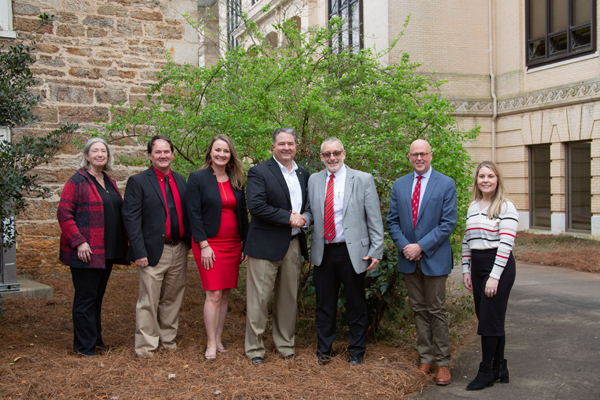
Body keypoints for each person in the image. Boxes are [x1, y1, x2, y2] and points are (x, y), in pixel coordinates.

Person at [303, 137, 384, 366]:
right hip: (324, 252)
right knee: (324, 304)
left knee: (356, 303)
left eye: (336, 153)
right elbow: (310, 211)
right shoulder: (314, 180)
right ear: (321, 157)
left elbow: (374, 218)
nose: (332, 158)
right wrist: (302, 221)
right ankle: (324, 350)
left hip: (353, 252)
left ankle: (356, 351)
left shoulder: (362, 179)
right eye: (327, 154)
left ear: (344, 153)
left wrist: (376, 249)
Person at [386, 139, 457, 385]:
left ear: (431, 155)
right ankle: (425, 358)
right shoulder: (400, 185)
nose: (419, 158)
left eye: (423, 154)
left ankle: (443, 363)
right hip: (408, 259)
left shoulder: (446, 184)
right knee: (418, 310)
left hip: (434, 258)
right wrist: (406, 247)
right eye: (414, 154)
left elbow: (447, 223)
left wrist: (421, 247)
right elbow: (392, 221)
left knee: (436, 310)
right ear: (409, 157)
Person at [243, 127, 310, 365]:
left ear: (296, 147)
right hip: (264, 246)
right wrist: (289, 217)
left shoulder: (304, 173)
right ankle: (255, 349)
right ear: (273, 147)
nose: (286, 148)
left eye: (290, 144)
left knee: (288, 299)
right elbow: (257, 207)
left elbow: (308, 208)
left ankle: (285, 345)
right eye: (281, 144)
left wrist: (305, 219)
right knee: (259, 300)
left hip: (293, 244)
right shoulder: (259, 172)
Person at [57, 138, 128, 356]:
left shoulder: (109, 181)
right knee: (85, 299)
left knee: (97, 298)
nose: (100, 154)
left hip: (104, 251)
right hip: (85, 252)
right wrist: (79, 241)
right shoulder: (77, 181)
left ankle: (95, 340)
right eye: (95, 151)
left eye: (103, 151)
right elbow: (64, 214)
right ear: (86, 156)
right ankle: (84, 347)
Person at [122, 135, 191, 358]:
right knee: (148, 301)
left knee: (173, 298)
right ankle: (146, 346)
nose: (163, 156)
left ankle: (168, 340)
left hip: (179, 248)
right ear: (150, 155)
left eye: (167, 151)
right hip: (152, 250)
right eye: (158, 152)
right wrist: (138, 251)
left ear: (173, 154)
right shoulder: (138, 181)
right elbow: (131, 219)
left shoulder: (181, 180)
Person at [187, 134, 249, 361]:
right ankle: (210, 342)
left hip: (233, 244)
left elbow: (243, 215)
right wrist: (204, 245)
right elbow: (193, 213)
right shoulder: (197, 178)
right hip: (209, 244)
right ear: (210, 153)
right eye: (218, 150)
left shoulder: (237, 180)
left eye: (226, 151)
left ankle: (219, 338)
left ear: (230, 154)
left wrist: (245, 244)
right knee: (213, 293)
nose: (221, 154)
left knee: (224, 295)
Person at [461, 161, 518, 391]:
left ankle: (485, 372)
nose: (485, 180)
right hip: (478, 265)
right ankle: (499, 367)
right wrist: (466, 269)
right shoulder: (473, 206)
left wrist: (494, 276)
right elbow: (467, 240)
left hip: (499, 266)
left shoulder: (506, 206)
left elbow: (506, 243)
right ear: (477, 180)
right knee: (490, 319)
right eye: (481, 176)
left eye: (490, 176)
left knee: (488, 320)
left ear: (497, 180)